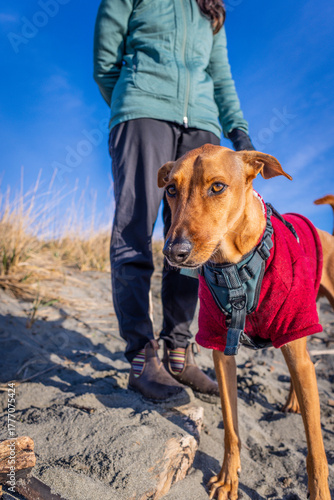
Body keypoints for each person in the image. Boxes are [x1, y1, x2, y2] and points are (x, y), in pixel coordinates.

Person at [94, 0, 254, 401]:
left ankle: (179, 352)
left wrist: (238, 131)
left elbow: (221, 77)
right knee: (134, 230)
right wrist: (133, 100)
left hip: (202, 126)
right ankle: (142, 358)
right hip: (142, 112)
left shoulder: (210, 11)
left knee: (194, 241)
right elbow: (105, 57)